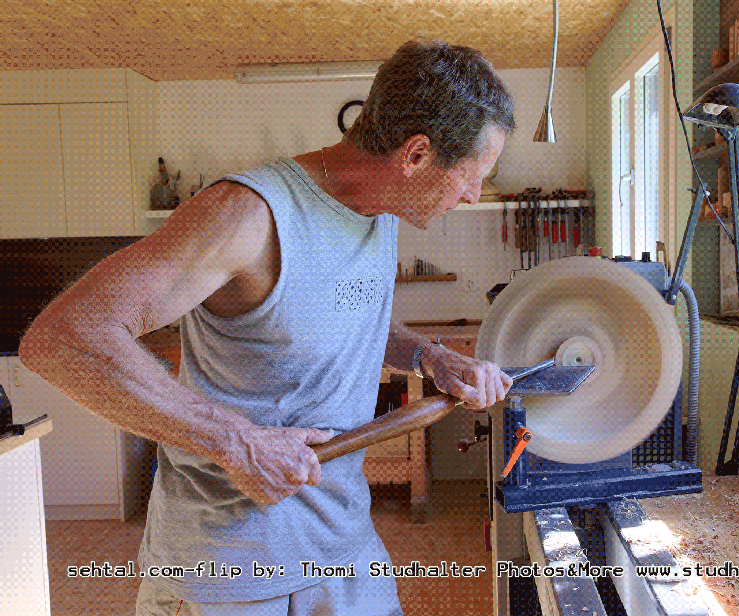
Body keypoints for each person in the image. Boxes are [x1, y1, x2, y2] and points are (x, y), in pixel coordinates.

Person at [18, 39, 516, 616]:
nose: (474, 193)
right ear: (416, 155)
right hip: (227, 567)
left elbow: (337, 315)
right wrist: (236, 442)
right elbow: (64, 337)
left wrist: (430, 356)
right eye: (472, 175)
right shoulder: (246, 216)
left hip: (345, 550)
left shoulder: (382, 213)